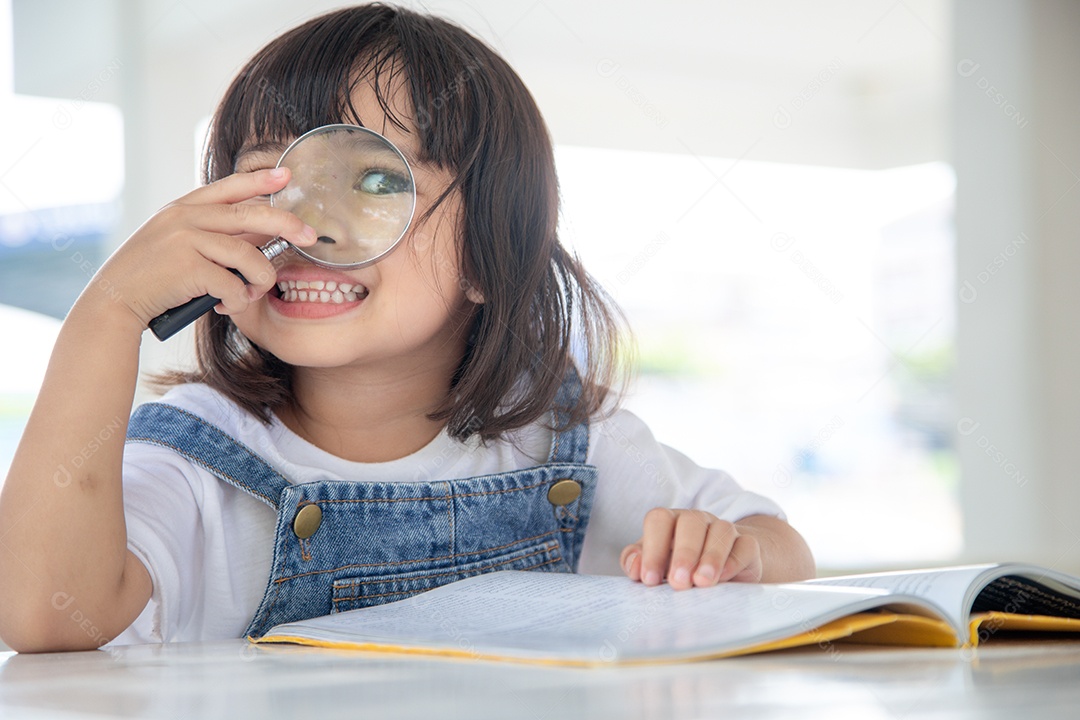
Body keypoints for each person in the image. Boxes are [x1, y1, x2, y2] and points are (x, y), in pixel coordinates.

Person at [0, 4, 814, 652]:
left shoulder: (573, 440)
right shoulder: (196, 461)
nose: (308, 229)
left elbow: (781, 548)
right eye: (270, 180)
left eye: (375, 181)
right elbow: (44, 619)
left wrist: (728, 552)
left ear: (492, 256)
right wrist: (106, 317)